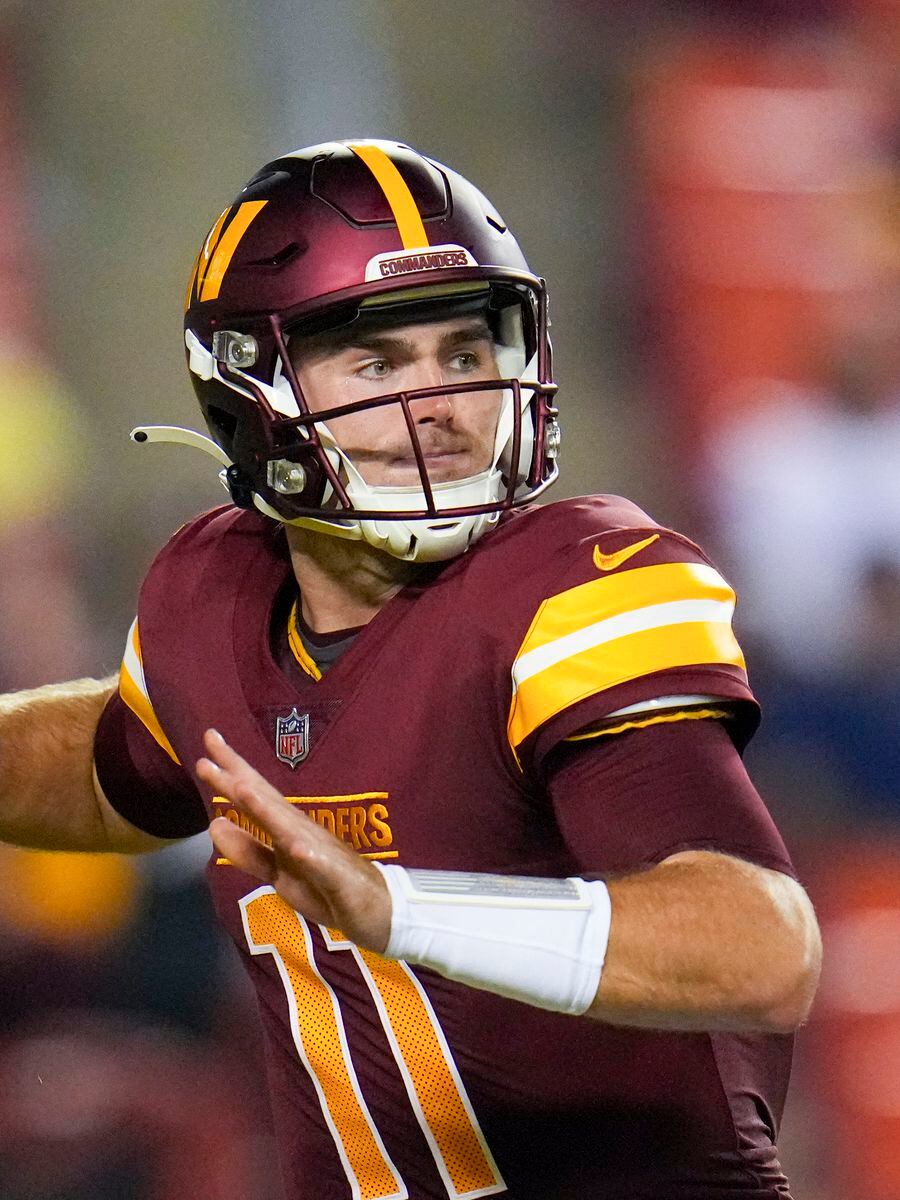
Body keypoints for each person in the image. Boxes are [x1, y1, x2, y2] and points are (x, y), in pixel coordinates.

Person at [0, 139, 820, 1200]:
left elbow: (766, 950)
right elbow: (124, 759)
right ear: (251, 386)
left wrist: (400, 909)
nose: (438, 401)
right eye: (380, 363)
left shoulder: (572, 588)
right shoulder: (214, 596)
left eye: (465, 353)